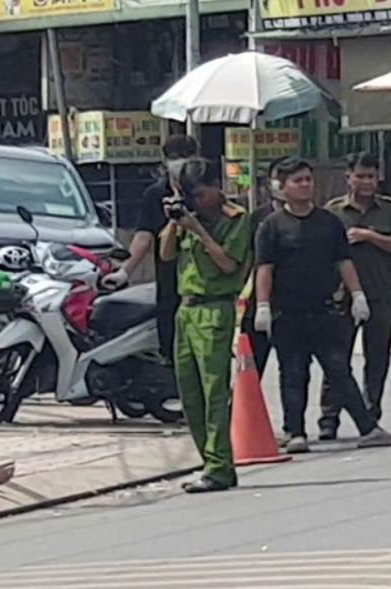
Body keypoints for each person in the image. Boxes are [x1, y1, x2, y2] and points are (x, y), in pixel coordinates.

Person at [253, 157, 391, 454]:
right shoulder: (271, 226)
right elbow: (264, 268)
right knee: (293, 372)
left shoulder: (328, 221)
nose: (305, 185)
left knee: (339, 370)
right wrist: (262, 306)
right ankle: (295, 431)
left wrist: (357, 294)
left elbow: (343, 260)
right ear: (282, 188)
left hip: (323, 309)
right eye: (298, 181)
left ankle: (368, 428)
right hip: (288, 311)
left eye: (308, 179)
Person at [159, 157, 251, 494]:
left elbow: (228, 264)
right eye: (190, 196)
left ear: (217, 187)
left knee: (214, 392)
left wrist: (199, 231)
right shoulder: (186, 218)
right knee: (189, 392)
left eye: (199, 194)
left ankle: (219, 466)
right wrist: (175, 222)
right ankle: (210, 462)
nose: (196, 202)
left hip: (215, 309)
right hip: (186, 309)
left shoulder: (235, 220)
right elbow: (166, 255)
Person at [317, 152, 391, 440]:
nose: (367, 182)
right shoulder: (333, 211)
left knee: (378, 356)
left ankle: (371, 415)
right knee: (336, 358)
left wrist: (370, 236)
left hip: (380, 293)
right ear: (349, 177)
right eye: (361, 176)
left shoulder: (389, 209)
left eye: (371, 176)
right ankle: (329, 417)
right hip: (342, 296)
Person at [115, 135, 199, 362]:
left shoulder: (202, 192)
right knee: (170, 336)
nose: (179, 163)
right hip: (169, 277)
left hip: (202, 278)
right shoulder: (155, 194)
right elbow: (144, 236)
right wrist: (125, 271)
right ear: (164, 162)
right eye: (174, 158)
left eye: (185, 156)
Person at [241, 156, 290, 377]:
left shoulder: (314, 218)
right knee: (251, 366)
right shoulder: (258, 217)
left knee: (292, 371)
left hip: (293, 305)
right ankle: (241, 411)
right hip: (258, 303)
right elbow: (246, 259)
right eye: (277, 178)